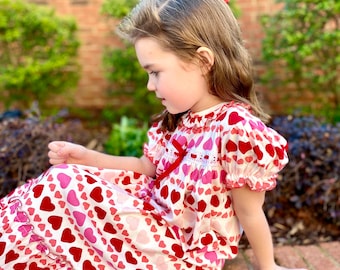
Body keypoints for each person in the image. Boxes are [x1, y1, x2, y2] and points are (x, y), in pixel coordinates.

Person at [0, 0, 307, 269]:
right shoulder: (178, 120)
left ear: (203, 61)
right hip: (151, 220)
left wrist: (268, 266)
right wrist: (86, 157)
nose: (150, 85)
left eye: (155, 72)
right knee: (65, 176)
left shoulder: (236, 131)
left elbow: (249, 211)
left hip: (178, 250)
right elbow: (147, 170)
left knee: (62, 184)